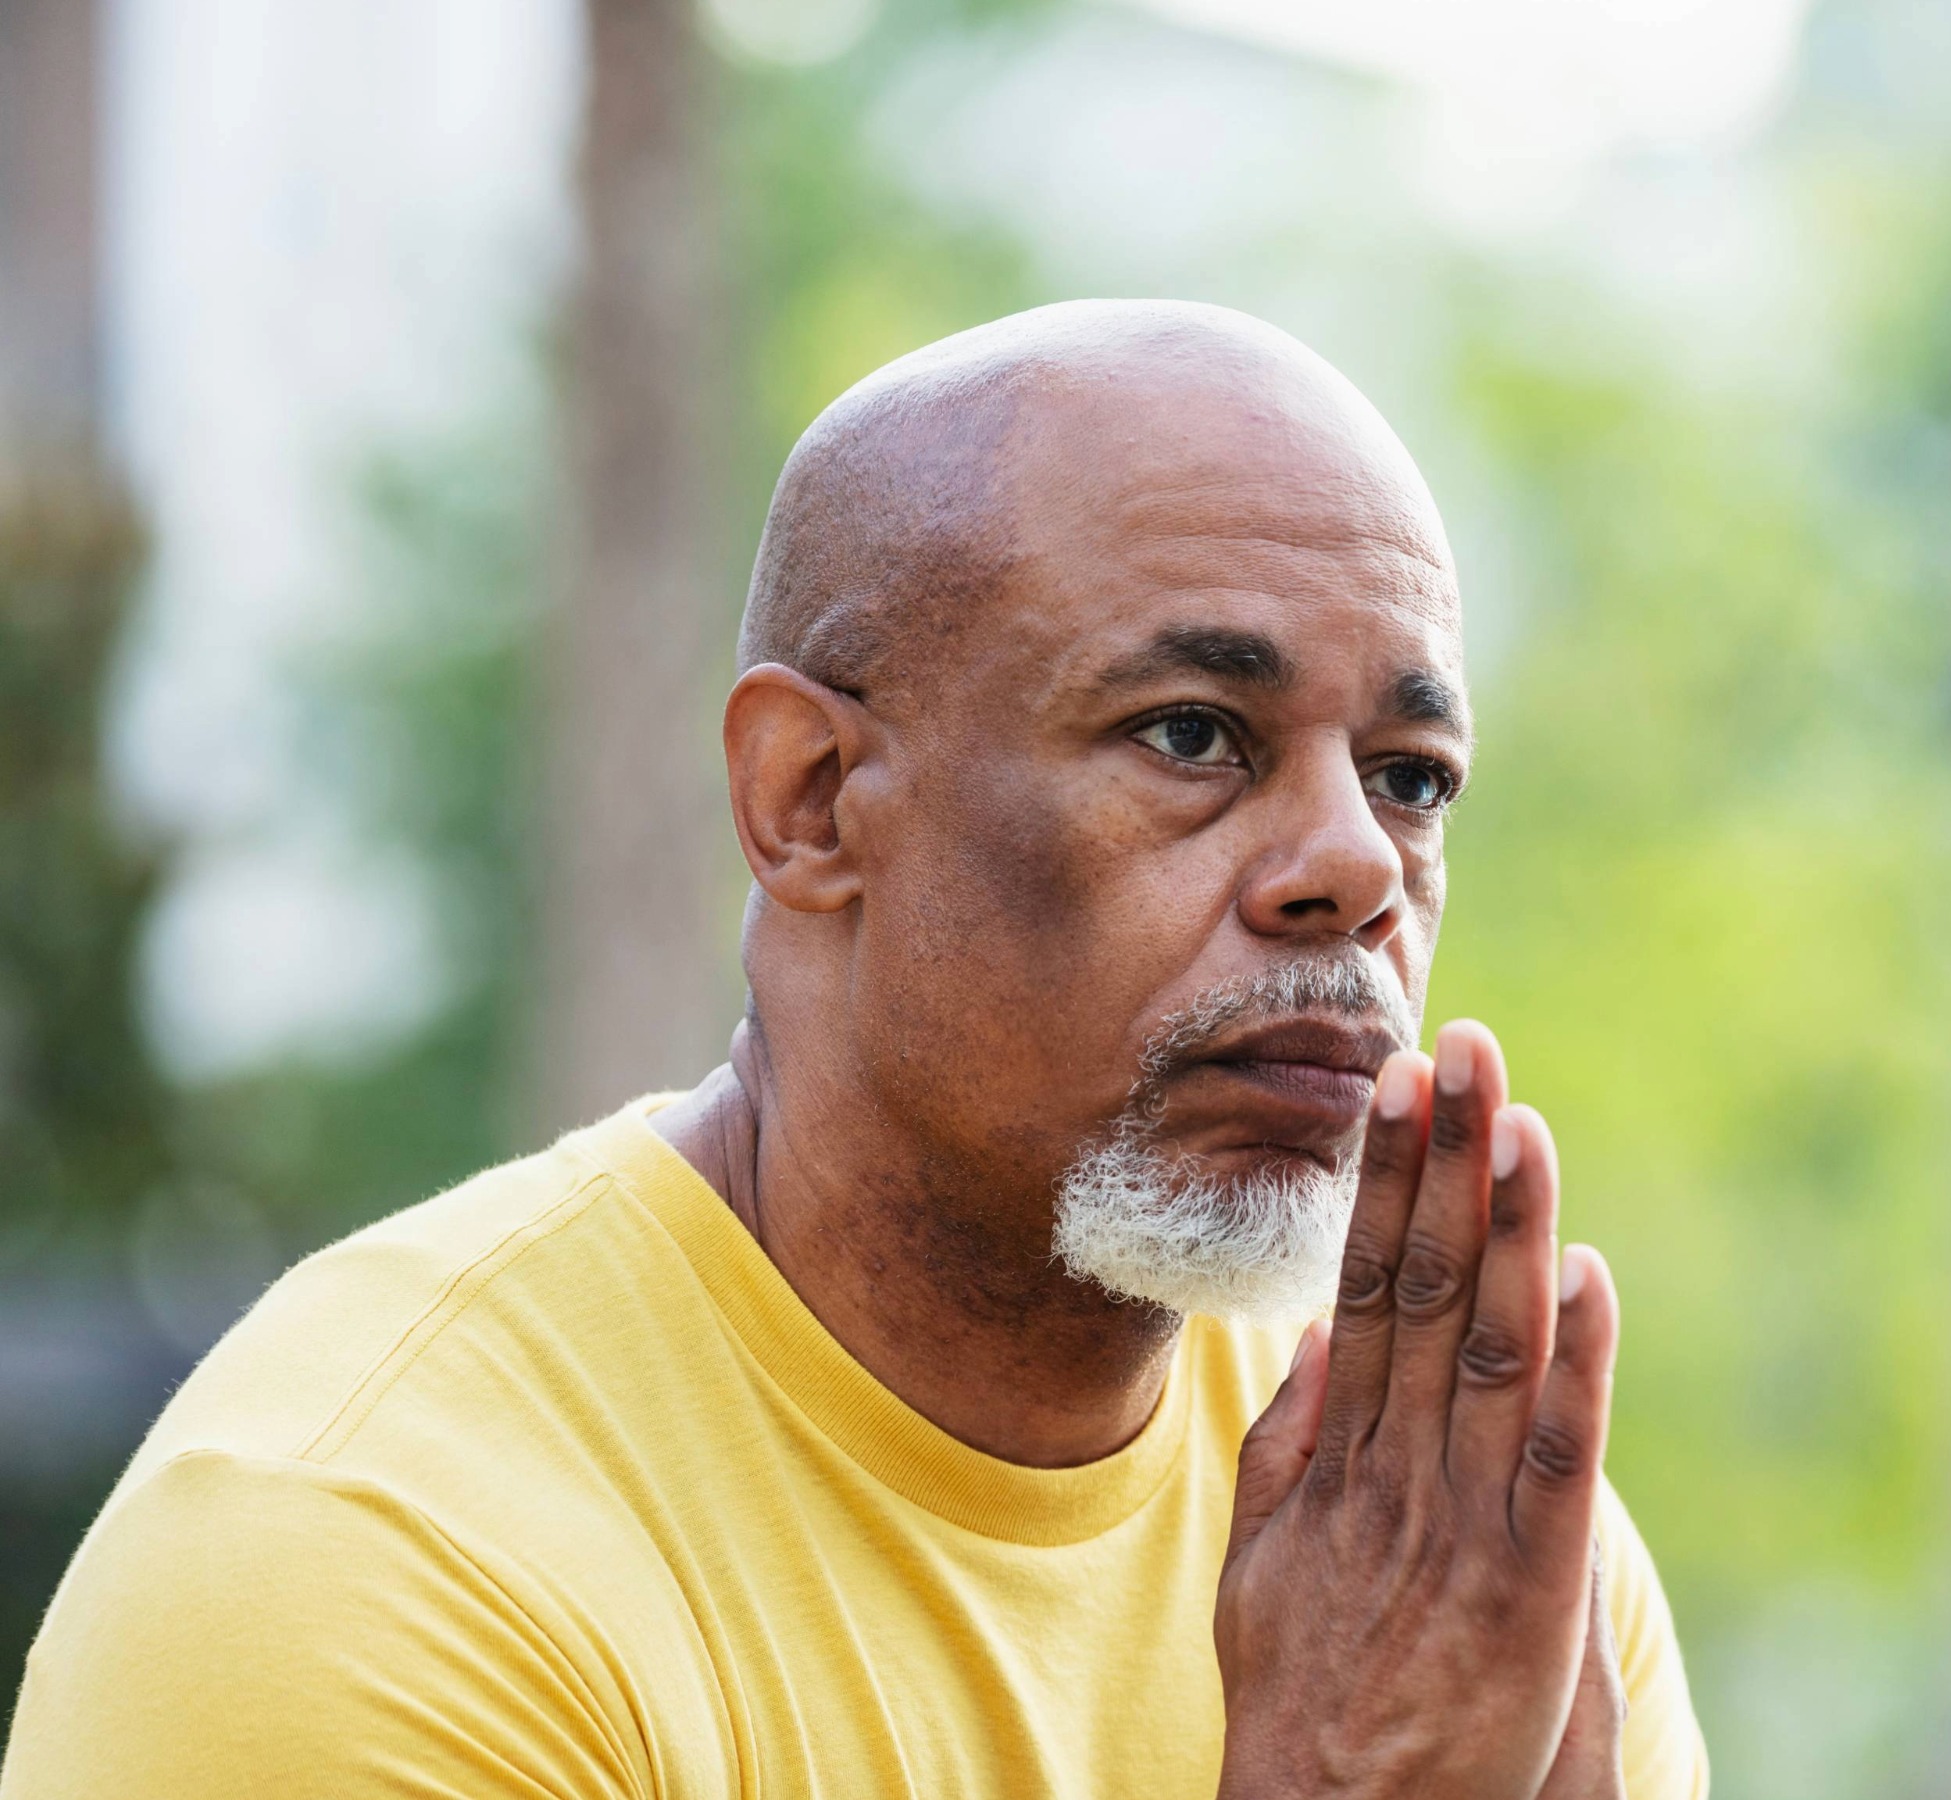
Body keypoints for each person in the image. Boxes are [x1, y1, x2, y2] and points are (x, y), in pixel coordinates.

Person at [0, 301, 1705, 1798]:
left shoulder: (1439, 1545)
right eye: (1193, 736)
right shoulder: (361, 1568)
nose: (1351, 868)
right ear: (808, 802)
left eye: (1411, 775)